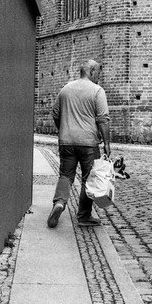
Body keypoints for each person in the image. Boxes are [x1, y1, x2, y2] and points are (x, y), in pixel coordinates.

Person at [47, 59, 111, 228]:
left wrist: (63, 129)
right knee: (88, 179)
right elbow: (103, 119)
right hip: (88, 143)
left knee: (65, 175)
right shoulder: (97, 91)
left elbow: (55, 113)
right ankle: (84, 216)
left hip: (66, 142)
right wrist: (107, 143)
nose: (98, 78)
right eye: (98, 74)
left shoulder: (65, 89)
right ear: (91, 71)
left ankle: (59, 203)